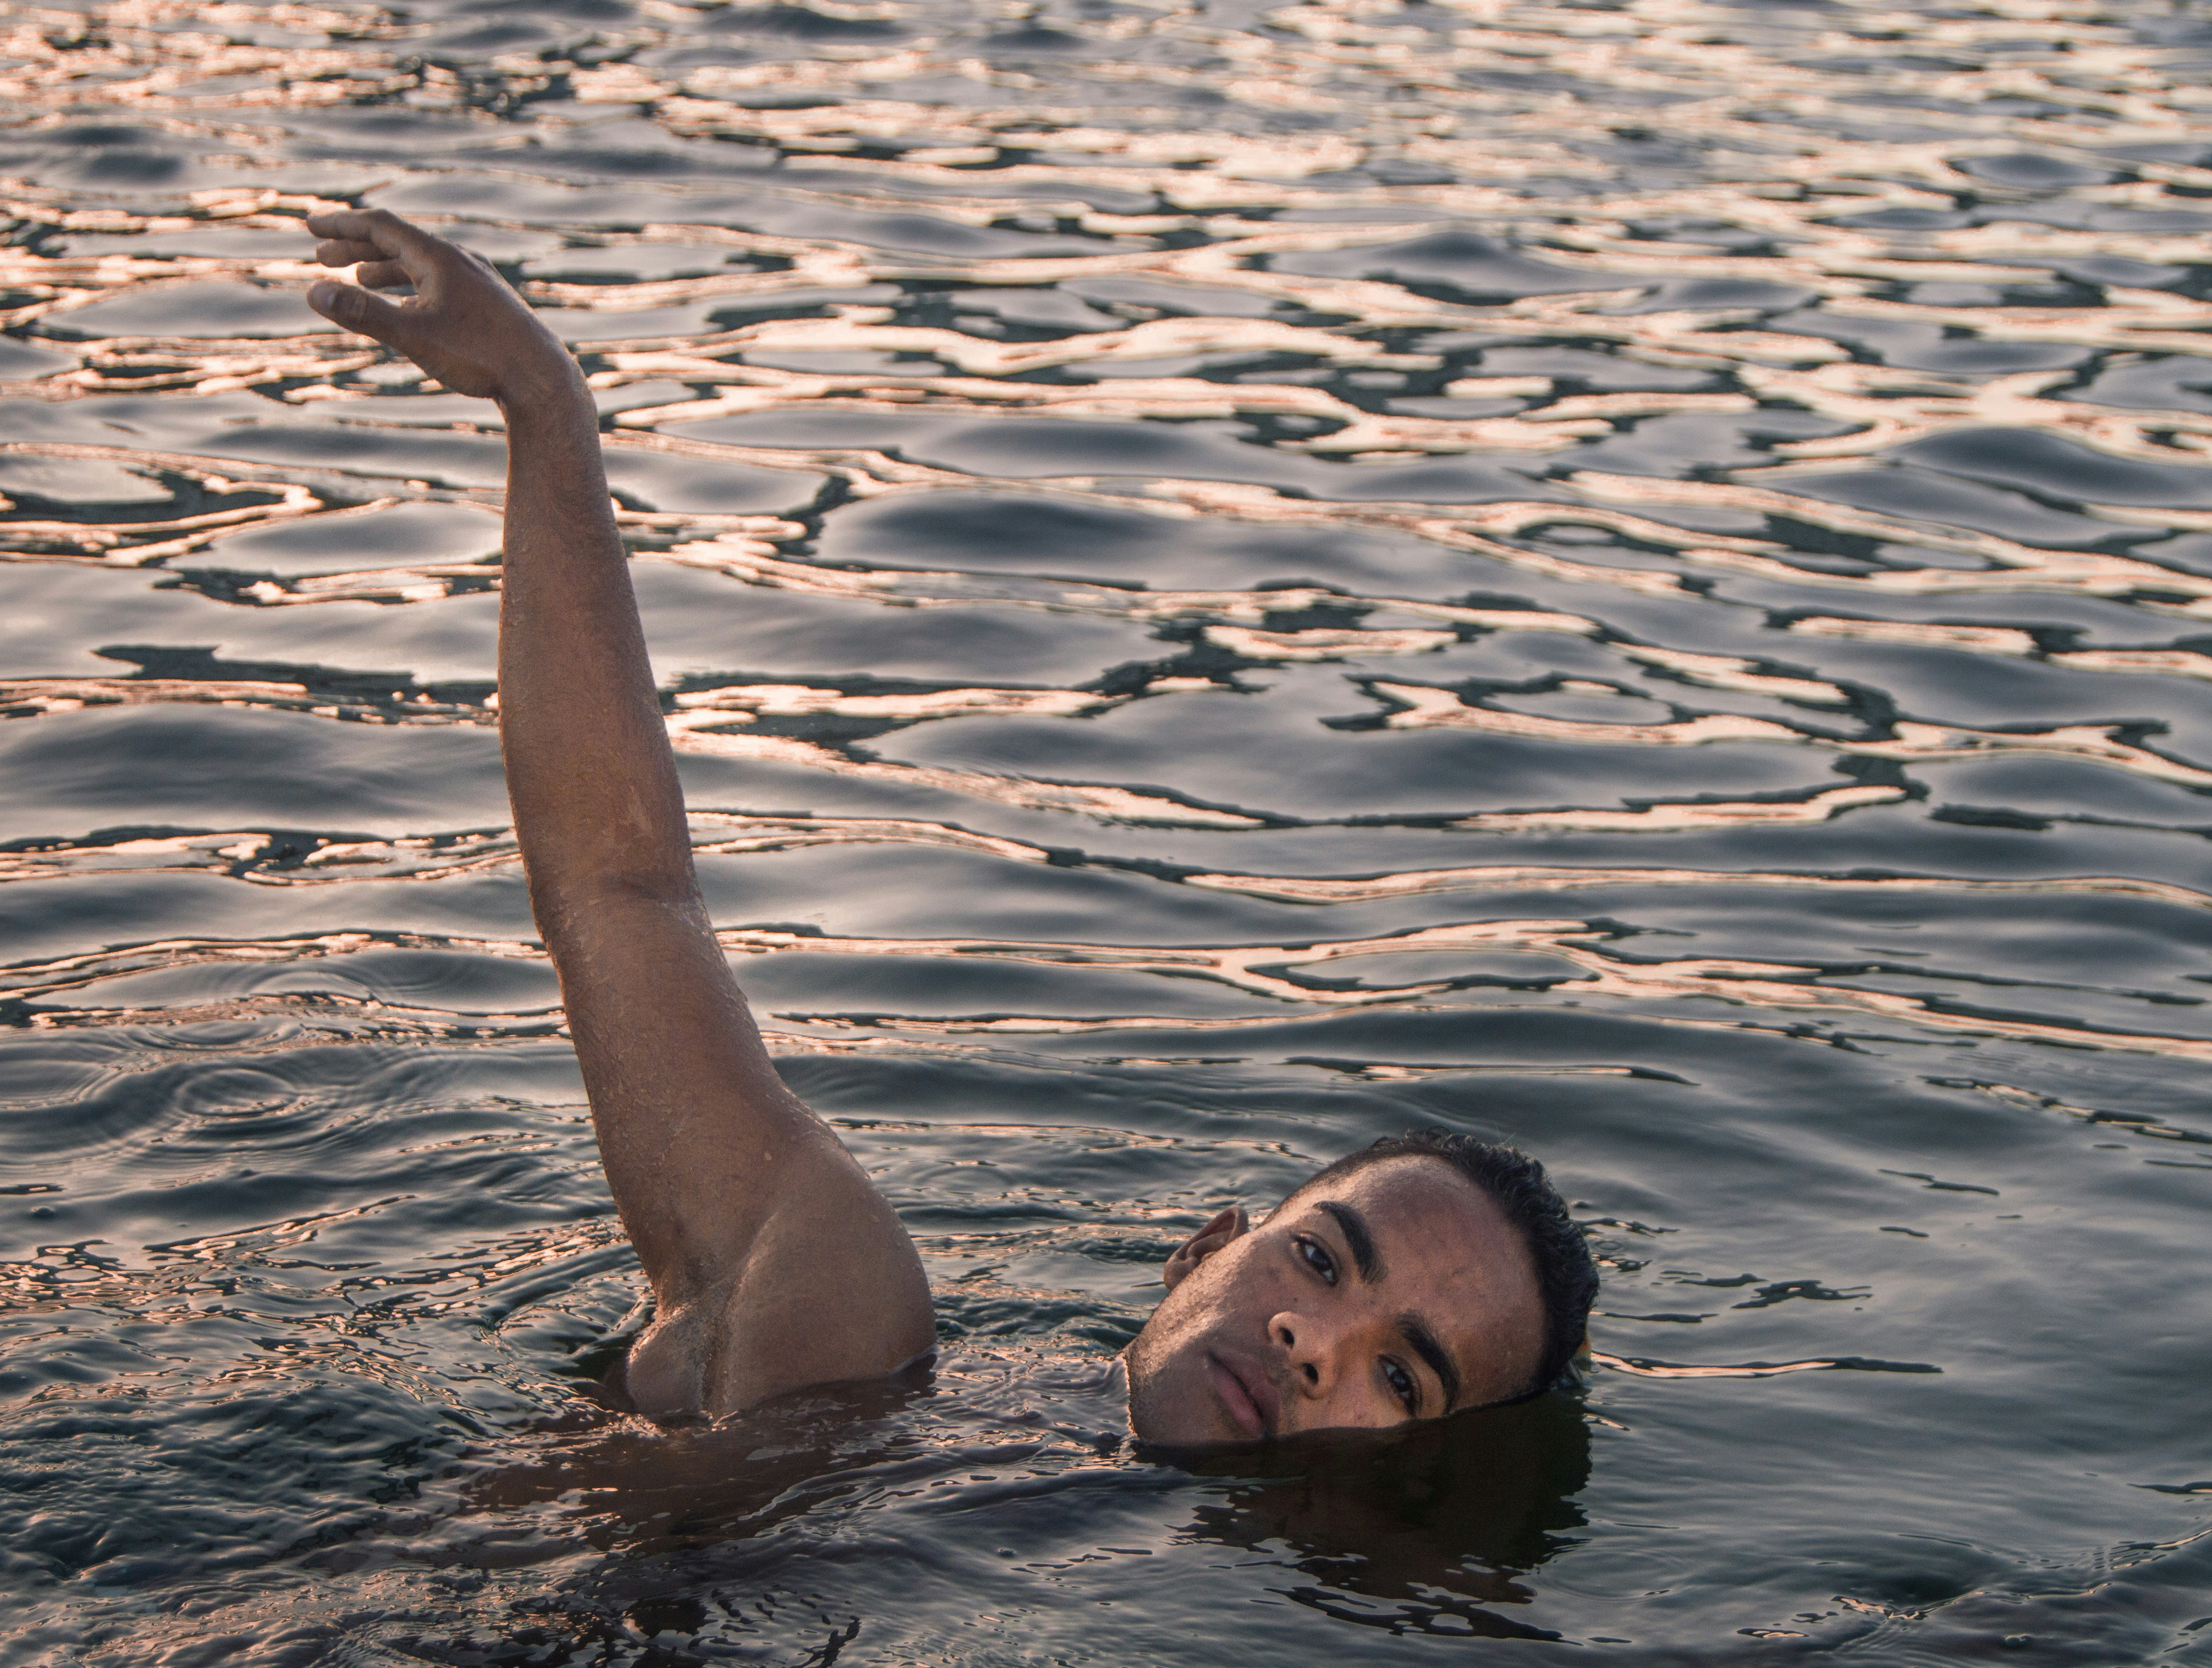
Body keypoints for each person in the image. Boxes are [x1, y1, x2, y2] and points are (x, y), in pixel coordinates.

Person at [302, 209, 1600, 1445]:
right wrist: (547, 411)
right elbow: (621, 889)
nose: (1311, 1342)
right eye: (1321, 1259)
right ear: (1208, 1243)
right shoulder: (841, 1313)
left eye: (1399, 1374)